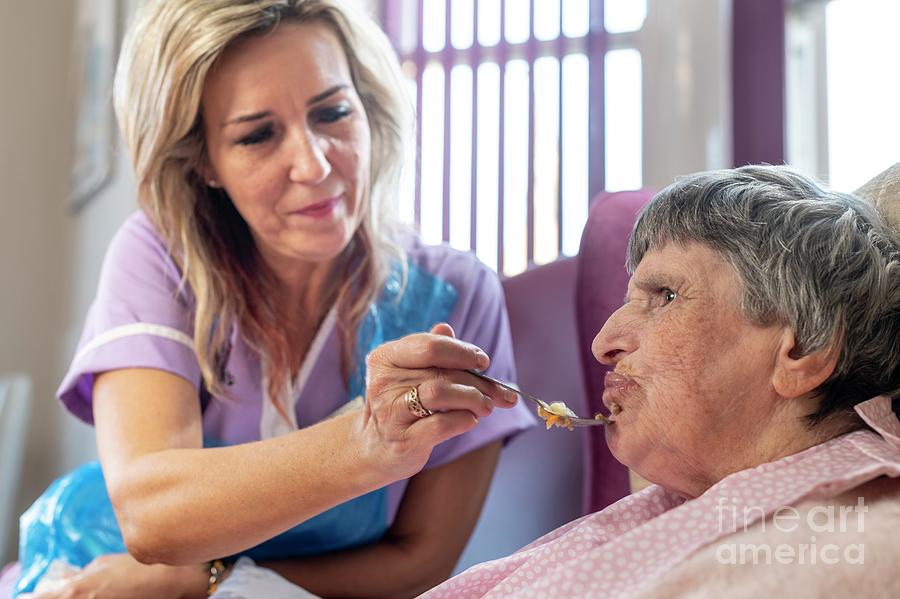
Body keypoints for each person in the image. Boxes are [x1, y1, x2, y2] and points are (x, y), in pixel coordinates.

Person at [9, 1, 535, 597]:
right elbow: (151, 515)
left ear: (368, 107)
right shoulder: (159, 258)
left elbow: (422, 560)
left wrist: (211, 582)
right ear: (204, 160)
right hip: (99, 574)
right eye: (258, 135)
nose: (312, 165)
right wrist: (363, 441)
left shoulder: (457, 295)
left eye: (333, 111)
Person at [422, 164, 900, 598]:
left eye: (666, 295)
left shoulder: (856, 543)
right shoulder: (711, 506)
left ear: (803, 350)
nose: (602, 342)